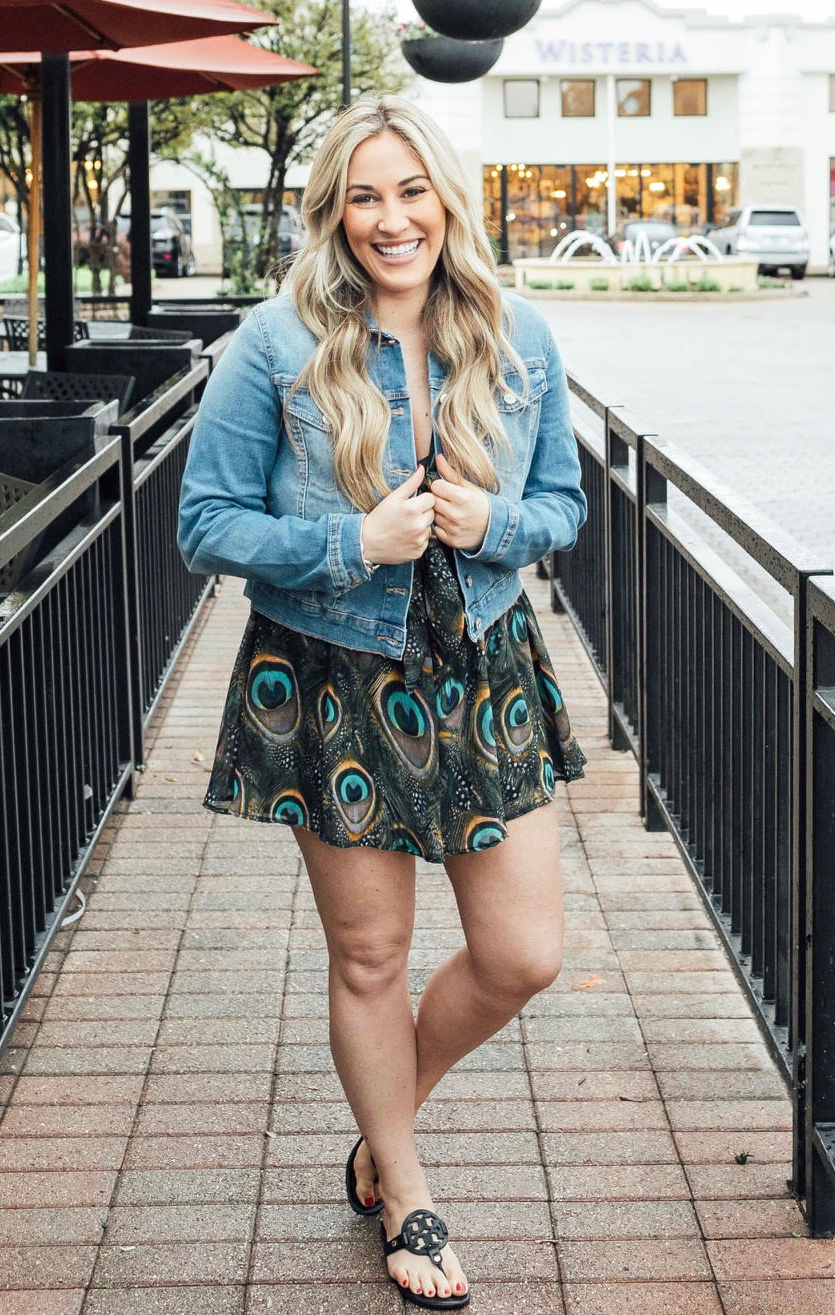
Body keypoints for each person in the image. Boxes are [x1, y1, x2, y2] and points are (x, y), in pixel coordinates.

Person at [178, 99, 588, 1308]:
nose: (390, 218)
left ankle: (378, 1120)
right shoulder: (276, 343)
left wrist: (496, 522)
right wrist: (349, 540)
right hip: (333, 672)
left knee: (523, 951)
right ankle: (404, 1192)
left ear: (445, 197)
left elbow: (562, 501)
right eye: (365, 195)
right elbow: (205, 522)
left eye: (411, 190)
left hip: (486, 669)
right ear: (334, 210)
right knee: (371, 953)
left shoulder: (519, 336)